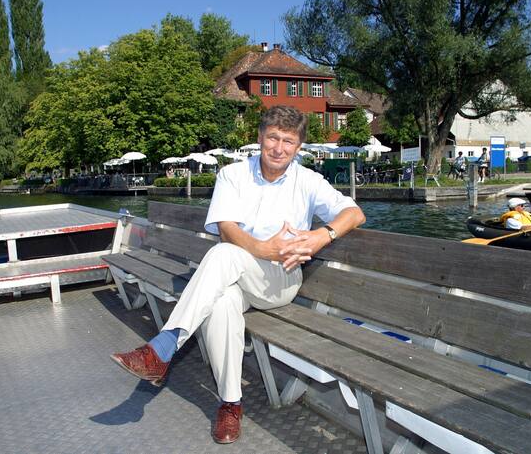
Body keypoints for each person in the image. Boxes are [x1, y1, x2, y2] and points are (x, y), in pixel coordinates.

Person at [109, 106, 367, 444]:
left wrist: (322, 235)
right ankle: (230, 404)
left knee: (223, 254)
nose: (279, 148)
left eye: (288, 141)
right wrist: (263, 248)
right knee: (221, 302)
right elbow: (227, 229)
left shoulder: (308, 181)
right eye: (273, 137)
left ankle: (164, 346)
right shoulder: (233, 175)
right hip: (235, 276)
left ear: (298, 147)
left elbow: (354, 213)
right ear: (259, 137)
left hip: (279, 280)